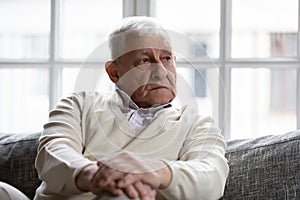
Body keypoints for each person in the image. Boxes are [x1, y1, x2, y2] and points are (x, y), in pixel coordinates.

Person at [34, 16, 229, 200]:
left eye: (167, 58)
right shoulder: (78, 105)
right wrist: (96, 175)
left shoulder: (197, 125)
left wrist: (154, 172)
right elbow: (52, 151)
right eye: (144, 60)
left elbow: (212, 175)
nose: (161, 72)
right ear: (114, 72)